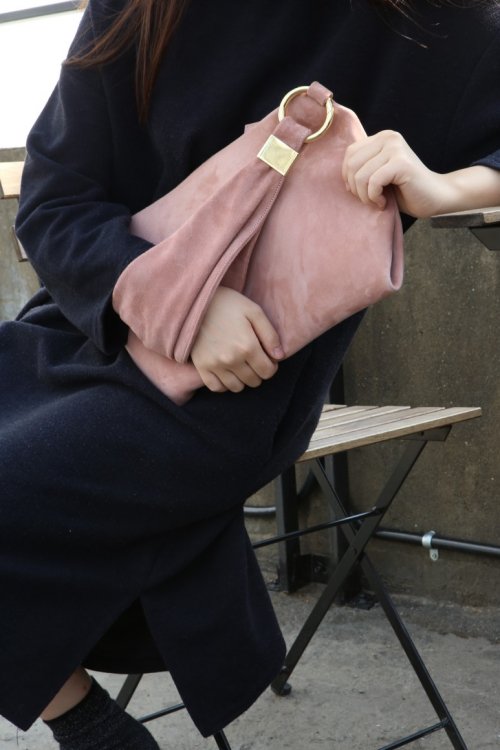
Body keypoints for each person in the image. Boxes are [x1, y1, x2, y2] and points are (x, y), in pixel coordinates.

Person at [2, 0, 500, 748]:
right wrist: (184, 303)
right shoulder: (140, 8)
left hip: (236, 390)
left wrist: (445, 185)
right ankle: (85, 721)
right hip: (92, 325)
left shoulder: (432, 21)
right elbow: (52, 197)